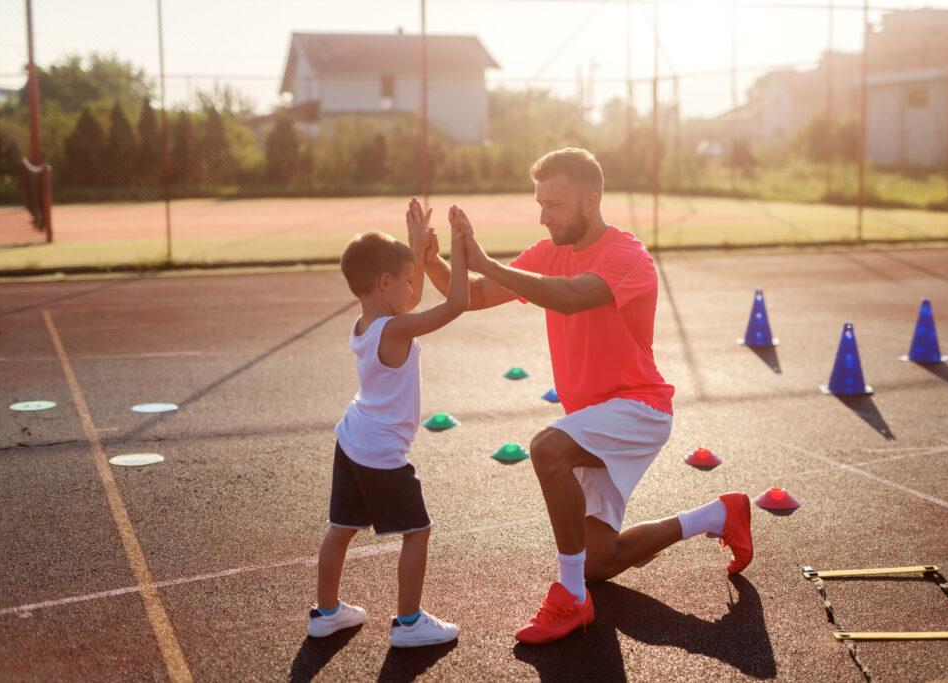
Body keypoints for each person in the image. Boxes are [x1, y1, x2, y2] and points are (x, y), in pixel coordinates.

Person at [424, 148, 753, 644]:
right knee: (599, 561)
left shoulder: (628, 255)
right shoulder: (547, 251)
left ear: (590, 200)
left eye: (554, 205)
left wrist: (489, 262)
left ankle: (572, 598)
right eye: (540, 204)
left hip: (639, 407)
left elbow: (573, 296)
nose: (544, 216)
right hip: (593, 416)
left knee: (546, 448)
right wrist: (432, 261)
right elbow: (473, 295)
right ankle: (718, 514)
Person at [308, 199, 468, 648]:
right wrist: (458, 248)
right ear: (384, 282)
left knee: (341, 528)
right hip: (380, 452)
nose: (413, 289)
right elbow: (457, 303)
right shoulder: (394, 330)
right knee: (418, 531)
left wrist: (416, 249)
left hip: (351, 439)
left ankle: (326, 613)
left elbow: (407, 300)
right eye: (408, 279)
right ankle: (409, 623)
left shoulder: (367, 323)